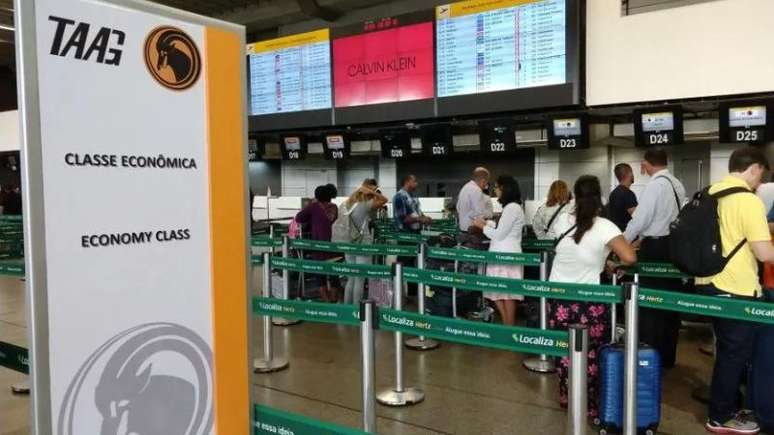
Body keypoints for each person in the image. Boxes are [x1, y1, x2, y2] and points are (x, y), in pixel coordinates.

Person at [694, 147, 774, 434]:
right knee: (734, 354)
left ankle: (726, 407)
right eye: (760, 175)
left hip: (707, 284)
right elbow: (764, 252)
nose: (760, 182)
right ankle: (721, 416)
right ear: (753, 168)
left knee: (729, 350)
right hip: (735, 288)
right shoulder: (747, 201)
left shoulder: (710, 192)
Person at [548, 175, 636, 418]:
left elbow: (574, 250)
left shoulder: (562, 220)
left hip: (558, 297)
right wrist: (607, 260)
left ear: (574, 196)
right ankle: (589, 403)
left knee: (565, 349)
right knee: (591, 353)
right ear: (599, 197)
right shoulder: (605, 226)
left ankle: (567, 394)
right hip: (589, 301)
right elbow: (629, 258)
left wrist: (601, 259)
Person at [623, 147, 686, 369]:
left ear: (647, 164)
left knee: (651, 304)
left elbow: (640, 220)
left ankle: (650, 356)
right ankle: (668, 356)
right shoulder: (677, 184)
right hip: (675, 249)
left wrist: (621, 243)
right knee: (670, 304)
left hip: (656, 249)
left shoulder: (654, 186)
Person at [470, 176, 525, 325]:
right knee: (498, 293)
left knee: (507, 294)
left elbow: (500, 234)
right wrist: (487, 223)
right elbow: (502, 229)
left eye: (497, 187)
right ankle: (507, 326)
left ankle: (509, 327)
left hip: (506, 256)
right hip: (501, 254)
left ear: (505, 189)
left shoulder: (512, 208)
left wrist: (481, 226)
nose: (495, 190)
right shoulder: (510, 208)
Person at [341, 179, 388, 305]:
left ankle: (347, 308)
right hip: (363, 243)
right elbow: (385, 200)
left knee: (351, 278)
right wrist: (376, 193)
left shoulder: (348, 203)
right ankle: (357, 310)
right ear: (369, 190)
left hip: (348, 242)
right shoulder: (366, 203)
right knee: (360, 278)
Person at [295, 184, 342, 302]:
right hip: (334, 246)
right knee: (334, 274)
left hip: (318, 246)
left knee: (320, 275)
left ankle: (326, 303)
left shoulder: (313, 207)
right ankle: (334, 300)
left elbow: (299, 218)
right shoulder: (334, 207)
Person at [456, 167, 494, 236]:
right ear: (483, 181)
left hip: (462, 230)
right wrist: (490, 225)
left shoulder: (465, 187)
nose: (486, 186)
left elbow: (458, 208)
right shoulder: (477, 190)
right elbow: (479, 215)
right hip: (472, 232)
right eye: (486, 182)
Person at [607, 163, 638, 231]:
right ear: (629, 174)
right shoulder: (628, 194)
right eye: (632, 172)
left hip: (616, 233)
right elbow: (637, 217)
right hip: (627, 235)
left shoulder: (613, 193)